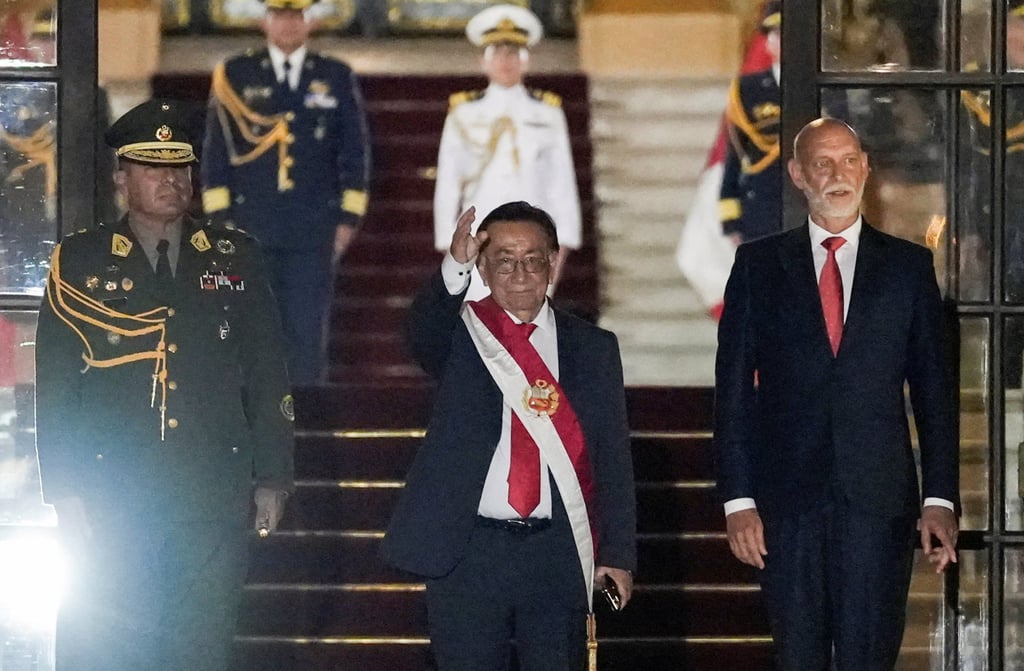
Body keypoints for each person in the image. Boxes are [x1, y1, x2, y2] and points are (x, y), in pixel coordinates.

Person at [35, 99, 295, 671]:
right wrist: (65, 490)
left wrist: (274, 477)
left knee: (200, 648)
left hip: (211, 493)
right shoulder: (80, 261)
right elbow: (55, 390)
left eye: (180, 168)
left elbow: (266, 372)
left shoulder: (234, 257)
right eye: (153, 168)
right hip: (112, 496)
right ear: (122, 179)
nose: (171, 181)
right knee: (112, 648)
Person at [713, 118, 959, 669]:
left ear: (866, 168)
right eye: (822, 164)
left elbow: (934, 393)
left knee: (869, 656)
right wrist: (738, 501)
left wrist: (940, 498)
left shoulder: (908, 268)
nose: (838, 174)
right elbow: (732, 393)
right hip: (785, 506)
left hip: (878, 504)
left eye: (849, 160)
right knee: (798, 657)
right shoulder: (758, 266)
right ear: (798, 174)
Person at [382, 201, 635, 670]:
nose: (519, 274)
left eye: (532, 259)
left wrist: (617, 553)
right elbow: (421, 333)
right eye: (504, 260)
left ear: (553, 262)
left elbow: (612, 456)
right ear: (482, 267)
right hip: (468, 550)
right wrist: (454, 264)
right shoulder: (459, 334)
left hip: (557, 551)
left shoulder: (593, 347)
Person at [201, 0, 370, 385]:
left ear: (309, 22)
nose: (289, 24)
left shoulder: (334, 75)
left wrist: (348, 218)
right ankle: (255, 415)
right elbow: (216, 153)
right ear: (265, 21)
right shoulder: (236, 74)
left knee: (306, 334)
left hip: (313, 229)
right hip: (250, 227)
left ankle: (306, 417)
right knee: (254, 331)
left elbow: (354, 151)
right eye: (280, 15)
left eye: (296, 16)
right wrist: (220, 221)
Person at [433, 5, 581, 302]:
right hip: (481, 237)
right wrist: (449, 242)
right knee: (480, 320)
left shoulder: (547, 113)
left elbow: (562, 183)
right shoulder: (463, 113)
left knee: (528, 321)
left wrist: (563, 243)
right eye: (497, 53)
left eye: (513, 53)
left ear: (526, 60)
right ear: (483, 61)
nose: (506, 61)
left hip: (535, 236)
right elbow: (448, 182)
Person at [719, 0, 782, 243]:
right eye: (777, 34)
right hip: (761, 211)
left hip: (813, 212)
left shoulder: (823, 86)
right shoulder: (748, 89)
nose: (784, 41)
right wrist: (730, 218)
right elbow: (736, 155)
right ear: (768, 42)